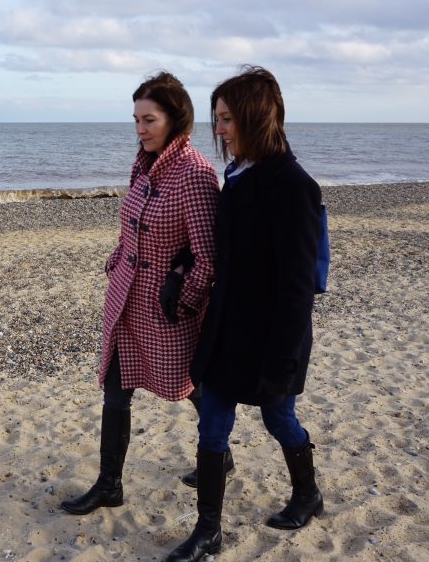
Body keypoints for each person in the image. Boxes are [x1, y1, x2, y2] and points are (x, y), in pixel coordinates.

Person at [166, 66, 325, 561]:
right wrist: (181, 266)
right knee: (212, 423)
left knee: (280, 420)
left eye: (228, 119)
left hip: (271, 337)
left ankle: (307, 493)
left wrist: (280, 362)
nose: (220, 130)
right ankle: (208, 530)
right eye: (216, 119)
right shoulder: (236, 176)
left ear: (256, 117)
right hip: (226, 328)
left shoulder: (292, 186)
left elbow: (298, 288)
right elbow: (220, 247)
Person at [60, 72, 221, 515]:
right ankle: (109, 484)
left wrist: (184, 304)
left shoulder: (195, 174)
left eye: (149, 120)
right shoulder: (143, 162)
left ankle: (219, 452)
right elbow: (132, 219)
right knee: (116, 389)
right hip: (125, 298)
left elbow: (208, 258)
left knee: (190, 384)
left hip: (166, 307)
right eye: (136, 120)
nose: (140, 129)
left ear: (175, 119)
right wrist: (119, 254)